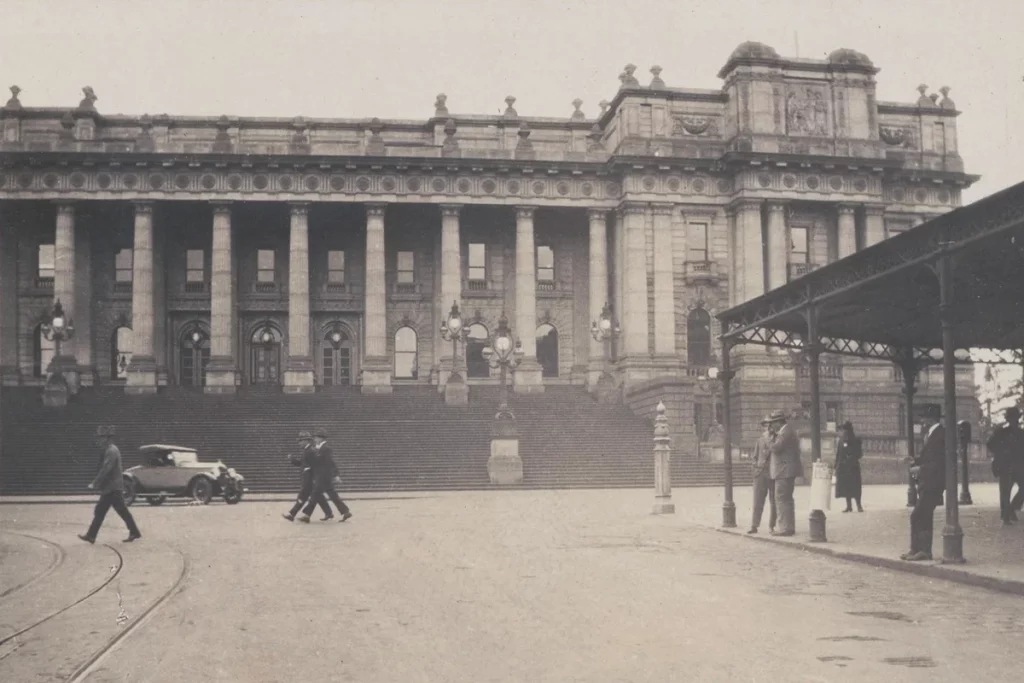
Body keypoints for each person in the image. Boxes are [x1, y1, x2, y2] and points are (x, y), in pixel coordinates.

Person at [79, 425, 142, 544]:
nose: (99, 440)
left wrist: (95, 483)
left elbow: (106, 469)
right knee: (108, 511)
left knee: (109, 511)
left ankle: (91, 536)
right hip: (112, 488)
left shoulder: (111, 451)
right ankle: (91, 536)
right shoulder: (110, 450)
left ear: (107, 438)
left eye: (101, 438)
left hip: (112, 488)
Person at [901, 404, 945, 561]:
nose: (921, 422)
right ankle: (917, 550)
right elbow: (929, 458)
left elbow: (939, 462)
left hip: (933, 482)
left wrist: (920, 469)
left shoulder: (940, 435)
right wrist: (915, 461)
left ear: (930, 419)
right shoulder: (934, 433)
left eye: (923, 419)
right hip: (929, 482)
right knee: (923, 515)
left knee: (918, 515)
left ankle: (923, 550)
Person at [298, 429, 352, 523]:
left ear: (320, 438)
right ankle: (345, 512)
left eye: (316, 437)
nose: (314, 439)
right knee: (333, 495)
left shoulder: (326, 448)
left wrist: (335, 474)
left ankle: (307, 515)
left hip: (323, 476)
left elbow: (330, 462)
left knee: (315, 495)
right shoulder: (319, 448)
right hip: (322, 476)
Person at [767, 409, 802, 537]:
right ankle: (788, 527)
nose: (771, 426)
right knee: (786, 499)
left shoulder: (785, 432)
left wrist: (769, 438)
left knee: (781, 499)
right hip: (786, 471)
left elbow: (776, 448)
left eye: (772, 423)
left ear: (778, 422)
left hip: (783, 471)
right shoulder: (787, 431)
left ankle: (784, 528)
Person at [283, 430, 333, 522]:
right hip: (309, 477)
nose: (299, 443)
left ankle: (292, 514)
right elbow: (303, 464)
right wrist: (293, 460)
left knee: (303, 496)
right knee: (318, 497)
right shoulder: (307, 450)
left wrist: (314, 477)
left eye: (301, 441)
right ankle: (328, 513)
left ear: (306, 440)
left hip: (310, 478)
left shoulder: (310, 451)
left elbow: (316, 465)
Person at [986, 407, 1024, 524]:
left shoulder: (1021, 433)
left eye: (1016, 418)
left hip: (1019, 466)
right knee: (1005, 491)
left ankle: (1012, 508)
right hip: (1005, 465)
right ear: (1008, 419)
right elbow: (990, 444)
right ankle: (1006, 515)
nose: (1014, 421)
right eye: (1012, 418)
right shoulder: (1001, 432)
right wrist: (1002, 452)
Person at [748, 415, 777, 534]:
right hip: (760, 474)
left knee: (774, 501)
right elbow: (754, 457)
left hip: (773, 473)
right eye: (766, 424)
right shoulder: (759, 441)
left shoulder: (777, 440)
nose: (768, 427)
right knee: (757, 501)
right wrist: (755, 468)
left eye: (770, 424)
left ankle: (772, 526)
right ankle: (754, 525)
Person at [834, 421, 864, 513]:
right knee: (849, 487)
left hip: (850, 467)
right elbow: (839, 454)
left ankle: (857, 506)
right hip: (848, 467)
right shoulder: (843, 440)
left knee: (852, 487)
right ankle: (850, 506)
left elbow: (859, 454)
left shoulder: (853, 440)